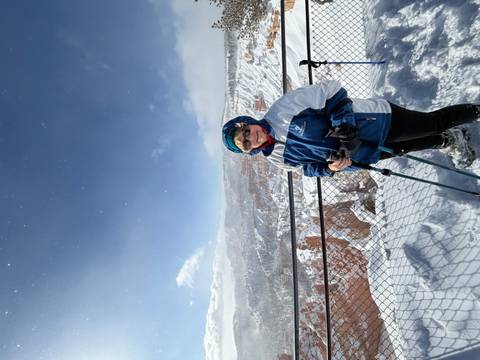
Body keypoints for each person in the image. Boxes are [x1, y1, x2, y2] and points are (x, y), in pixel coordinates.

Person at [222, 80, 479, 176]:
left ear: (247, 122)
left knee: (431, 123)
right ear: (248, 151)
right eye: (245, 143)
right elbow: (310, 169)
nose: (250, 137)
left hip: (375, 121)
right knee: (406, 148)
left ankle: (474, 113)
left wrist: (344, 128)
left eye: (244, 131)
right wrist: (331, 168)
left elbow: (332, 92)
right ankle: (448, 141)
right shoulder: (277, 160)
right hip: (362, 155)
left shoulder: (284, 109)